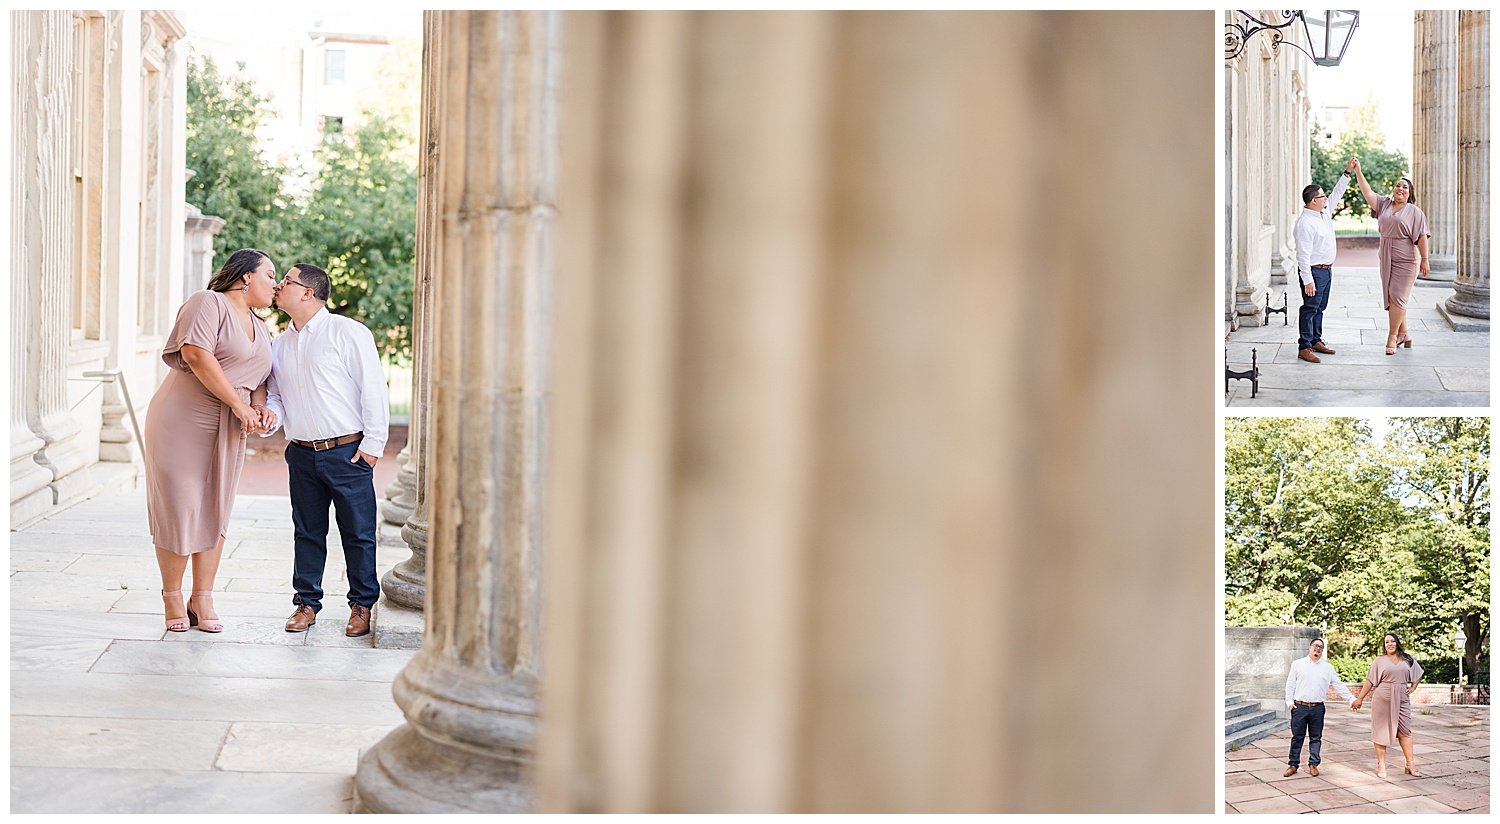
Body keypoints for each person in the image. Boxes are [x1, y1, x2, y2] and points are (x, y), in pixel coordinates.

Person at [144, 249, 278, 633]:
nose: (275, 284)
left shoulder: (261, 325)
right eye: (269, 275)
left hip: (230, 427)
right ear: (246, 276)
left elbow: (260, 378)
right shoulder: (208, 303)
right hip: (181, 421)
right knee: (180, 506)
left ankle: (202, 597)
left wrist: (259, 406)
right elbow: (197, 354)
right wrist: (239, 404)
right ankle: (172, 595)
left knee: (216, 509)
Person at [262, 263, 389, 637]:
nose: (278, 286)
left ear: (308, 292)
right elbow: (277, 396)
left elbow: (373, 389)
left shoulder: (347, 333)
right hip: (300, 453)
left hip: (347, 452)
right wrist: (270, 415)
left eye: (286, 281)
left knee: (358, 532)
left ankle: (362, 605)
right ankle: (305, 603)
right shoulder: (279, 344)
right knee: (307, 530)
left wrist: (373, 446)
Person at [1350, 158, 1430, 356]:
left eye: (1404, 187)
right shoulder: (1384, 204)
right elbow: (1367, 192)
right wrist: (1358, 171)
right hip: (1386, 256)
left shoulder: (1414, 211)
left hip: (1407, 259)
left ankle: (1392, 336)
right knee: (1393, 297)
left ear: (1409, 193)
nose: (1400, 189)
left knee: (1398, 297)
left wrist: (1425, 259)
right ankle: (1405, 333)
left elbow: (1421, 236)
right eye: (1397, 185)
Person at [1292, 157, 1356, 364]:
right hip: (1314, 272)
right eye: (1322, 196)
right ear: (1313, 201)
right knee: (1309, 308)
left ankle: (1316, 340)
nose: (1326, 198)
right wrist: (1308, 280)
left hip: (1327, 271)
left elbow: (1337, 193)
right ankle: (1304, 347)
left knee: (1320, 307)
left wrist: (1347, 173)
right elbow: (1302, 254)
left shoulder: (1322, 213)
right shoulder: (1305, 224)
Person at [1351, 633, 1425, 778]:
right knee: (1381, 731)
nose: (1390, 644)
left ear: (1397, 643)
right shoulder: (1379, 661)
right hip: (1382, 698)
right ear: (1384, 646)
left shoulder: (1407, 659)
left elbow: (1418, 673)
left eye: (1392, 641)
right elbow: (1370, 681)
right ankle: (1381, 765)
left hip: (1402, 698)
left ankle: (1410, 764)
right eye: (1386, 642)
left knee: (1405, 731)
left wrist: (1413, 687)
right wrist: (1359, 698)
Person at [1282, 637, 1356, 777]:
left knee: (1316, 737)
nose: (1317, 648)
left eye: (1320, 647)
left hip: (1318, 708)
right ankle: (1293, 764)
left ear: (1322, 650)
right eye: (1315, 645)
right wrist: (1289, 702)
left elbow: (1338, 685)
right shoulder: (1298, 664)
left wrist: (1351, 699)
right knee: (1297, 737)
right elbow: (1290, 684)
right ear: (1309, 648)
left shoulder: (1327, 668)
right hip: (1300, 707)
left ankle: (1313, 764)